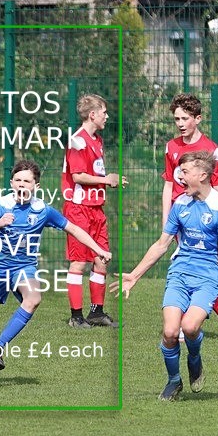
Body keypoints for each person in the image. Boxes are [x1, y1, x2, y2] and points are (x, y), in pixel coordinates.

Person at [0, 160, 112, 383]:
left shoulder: (42, 210)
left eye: (27, 181)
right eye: (18, 180)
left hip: (23, 268)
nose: (22, 185)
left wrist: (98, 249)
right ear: (11, 183)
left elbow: (74, 228)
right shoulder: (2, 205)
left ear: (36, 185)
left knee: (34, 297)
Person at [112, 151, 218, 401]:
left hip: (206, 278)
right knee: (170, 332)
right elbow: (162, 244)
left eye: (185, 172)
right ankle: (173, 381)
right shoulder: (180, 204)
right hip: (180, 272)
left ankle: (195, 359)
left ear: (202, 175)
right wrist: (135, 276)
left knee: (190, 327)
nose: (179, 177)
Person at [162, 93, 218, 341]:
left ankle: (204, 319)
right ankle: (192, 322)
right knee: (186, 270)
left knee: (200, 271)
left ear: (198, 119)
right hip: (180, 216)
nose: (180, 123)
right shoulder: (171, 148)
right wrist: (166, 222)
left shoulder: (211, 150)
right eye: (176, 119)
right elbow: (167, 185)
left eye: (185, 118)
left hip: (204, 219)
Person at [61, 93, 126, 329]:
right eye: (104, 112)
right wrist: (106, 180)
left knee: (101, 261)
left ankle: (96, 312)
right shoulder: (77, 141)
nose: (106, 116)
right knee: (79, 263)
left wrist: (106, 182)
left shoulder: (96, 140)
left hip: (96, 209)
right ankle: (76, 316)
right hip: (78, 209)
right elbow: (77, 176)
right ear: (92, 114)